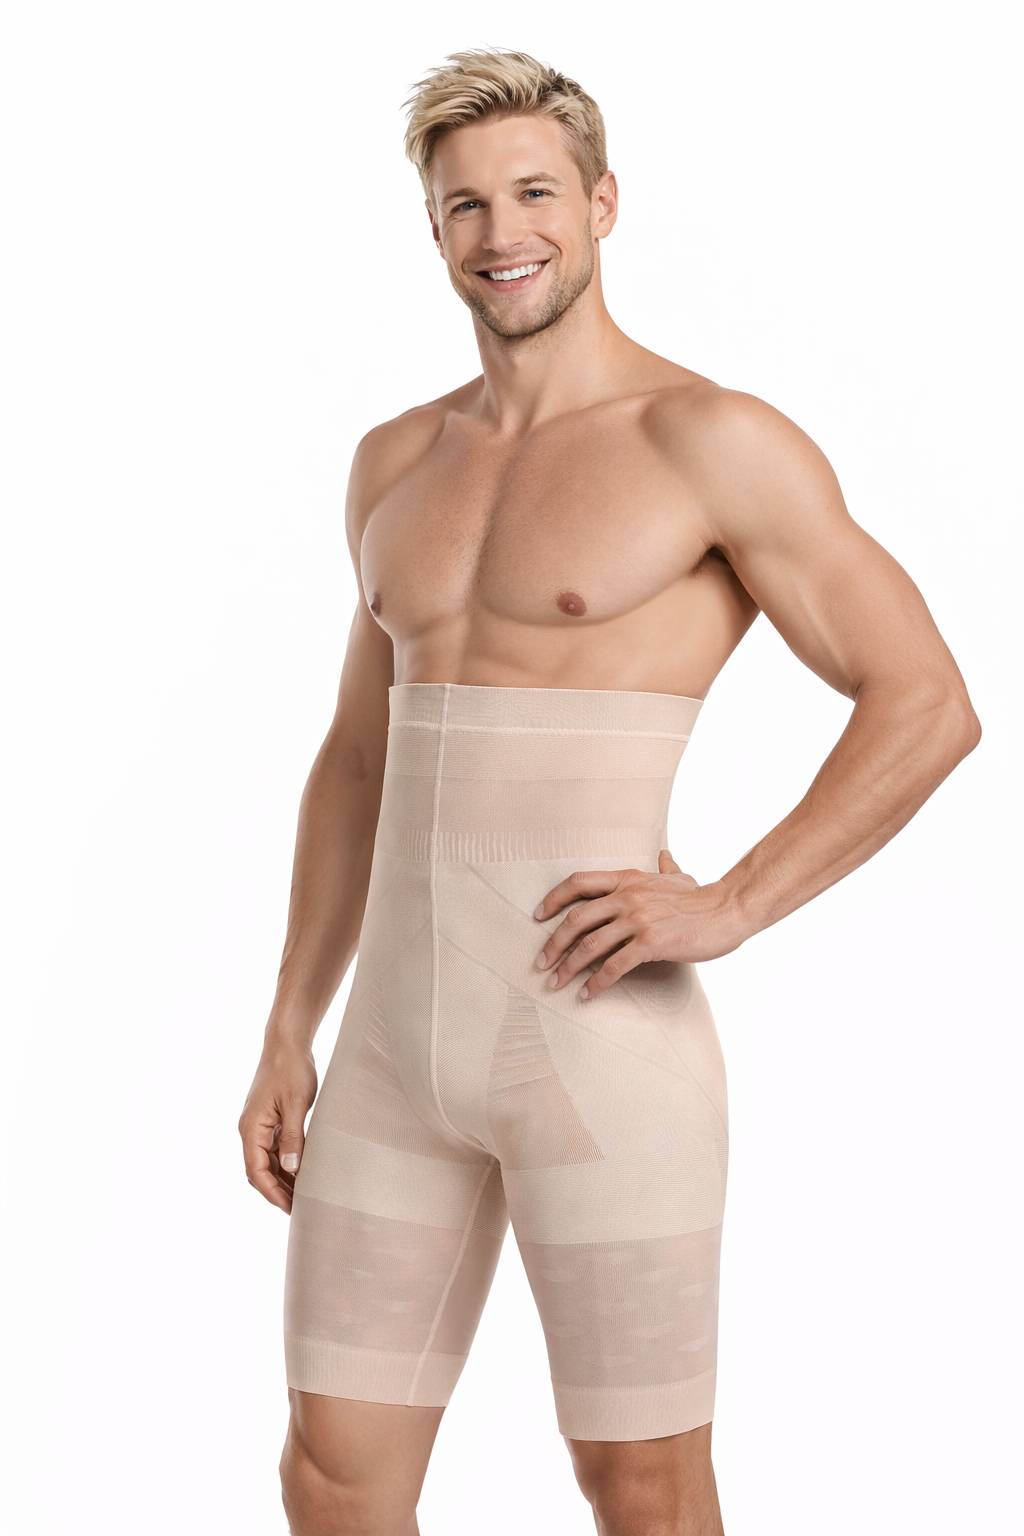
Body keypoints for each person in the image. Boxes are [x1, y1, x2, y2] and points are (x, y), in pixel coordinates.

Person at [239, 49, 979, 1536]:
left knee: (640, 1485)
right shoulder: (393, 462)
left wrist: (733, 903)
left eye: (533, 193)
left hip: (600, 1048)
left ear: (601, 204)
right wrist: (286, 1024)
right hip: (389, 1056)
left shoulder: (709, 440)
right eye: (464, 205)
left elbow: (927, 701)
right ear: (432, 228)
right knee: (330, 1474)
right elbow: (357, 758)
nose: (501, 232)